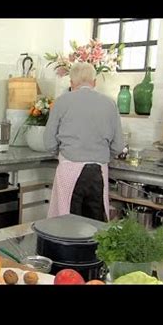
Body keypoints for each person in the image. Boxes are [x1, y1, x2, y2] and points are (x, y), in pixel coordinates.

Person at [43, 62, 124, 222]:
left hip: (69, 168)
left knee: (66, 222)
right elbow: (118, 145)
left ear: (72, 83)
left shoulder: (62, 101)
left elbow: (48, 142)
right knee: (95, 224)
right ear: (94, 82)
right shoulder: (110, 103)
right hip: (98, 171)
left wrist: (59, 153)